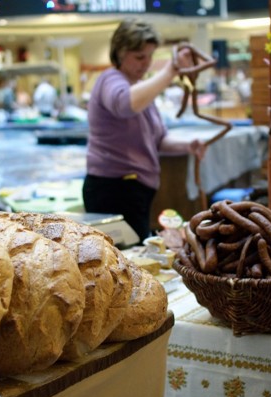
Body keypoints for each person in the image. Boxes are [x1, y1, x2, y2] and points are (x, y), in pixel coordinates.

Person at [82, 18, 206, 242]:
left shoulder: (141, 91)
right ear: (120, 53)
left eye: (150, 56)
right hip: (112, 190)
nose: (146, 63)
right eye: (139, 57)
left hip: (136, 192)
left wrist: (188, 145)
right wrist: (171, 71)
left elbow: (158, 140)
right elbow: (125, 105)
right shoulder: (110, 79)